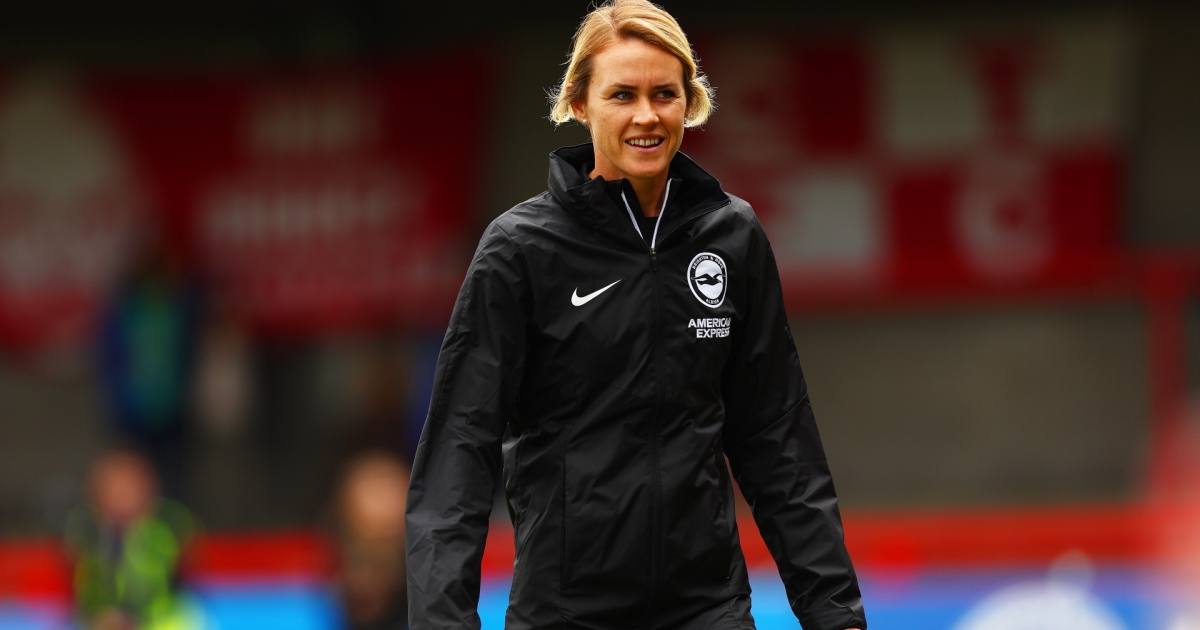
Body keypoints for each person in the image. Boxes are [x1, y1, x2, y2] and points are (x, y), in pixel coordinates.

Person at [405, 1, 867, 628]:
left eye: (664, 94)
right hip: (566, 613)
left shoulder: (733, 236)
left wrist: (836, 616)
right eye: (622, 94)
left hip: (708, 608)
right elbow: (458, 452)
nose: (646, 116)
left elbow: (778, 442)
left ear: (689, 103)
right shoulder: (519, 250)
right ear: (579, 103)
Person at [65, 447, 199, 630]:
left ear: (149, 494)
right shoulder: (87, 535)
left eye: (130, 490)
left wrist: (134, 619)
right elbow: (86, 588)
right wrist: (100, 616)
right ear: (96, 498)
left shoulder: (164, 533)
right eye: (114, 491)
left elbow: (160, 585)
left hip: (160, 620)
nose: (122, 499)